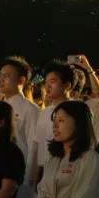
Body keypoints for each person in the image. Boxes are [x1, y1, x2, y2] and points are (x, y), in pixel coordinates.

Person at [0, 56, 40, 198]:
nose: (1, 80)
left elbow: (33, 149)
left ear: (21, 80)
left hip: (18, 177)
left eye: (7, 76)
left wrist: (27, 184)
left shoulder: (30, 110)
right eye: (0, 75)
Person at [30, 60, 74, 188]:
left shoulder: (76, 111)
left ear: (67, 85)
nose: (47, 86)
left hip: (65, 171)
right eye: (46, 82)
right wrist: (36, 175)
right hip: (44, 171)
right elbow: (39, 145)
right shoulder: (44, 112)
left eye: (53, 82)